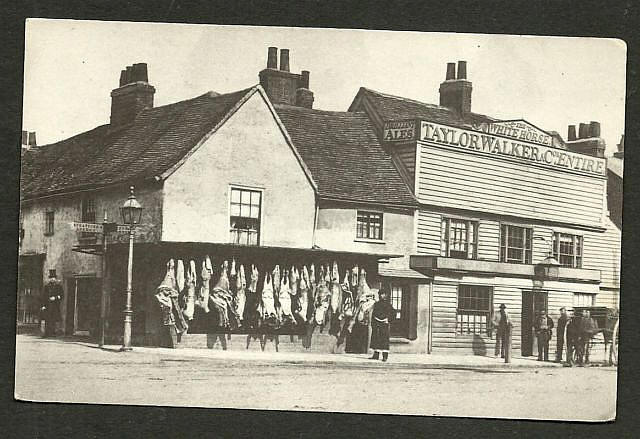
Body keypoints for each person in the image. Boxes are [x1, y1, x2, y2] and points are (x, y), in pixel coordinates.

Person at [368, 288, 395, 362]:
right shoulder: (376, 304)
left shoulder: (388, 305)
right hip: (377, 323)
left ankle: (385, 356)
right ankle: (375, 355)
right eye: (380, 294)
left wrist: (388, 320)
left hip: (384, 324)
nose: (381, 296)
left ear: (385, 295)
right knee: (376, 338)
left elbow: (393, 314)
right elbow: (373, 314)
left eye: (382, 294)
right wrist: (373, 323)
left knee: (384, 339)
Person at [40, 270, 63, 337]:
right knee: (47, 319)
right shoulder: (46, 287)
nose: (52, 279)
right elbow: (43, 297)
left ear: (55, 278)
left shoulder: (59, 287)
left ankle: (54, 333)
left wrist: (55, 298)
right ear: (49, 279)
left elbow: (62, 295)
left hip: (55, 306)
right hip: (48, 306)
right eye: (51, 278)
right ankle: (46, 333)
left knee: (54, 319)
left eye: (53, 278)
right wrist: (43, 305)